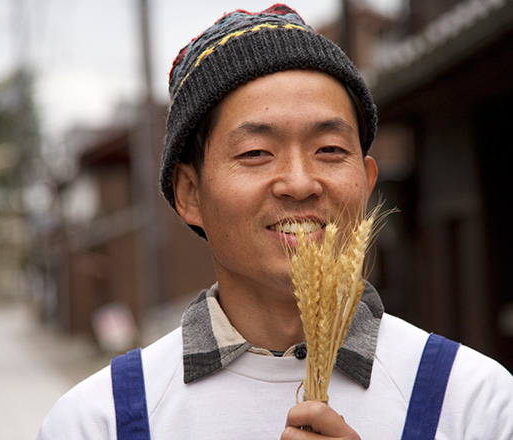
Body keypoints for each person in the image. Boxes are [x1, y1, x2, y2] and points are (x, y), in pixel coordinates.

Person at [36, 5, 513, 439]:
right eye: (256, 153)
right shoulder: (102, 420)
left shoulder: (472, 402)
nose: (300, 182)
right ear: (189, 194)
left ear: (367, 182)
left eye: (329, 149)